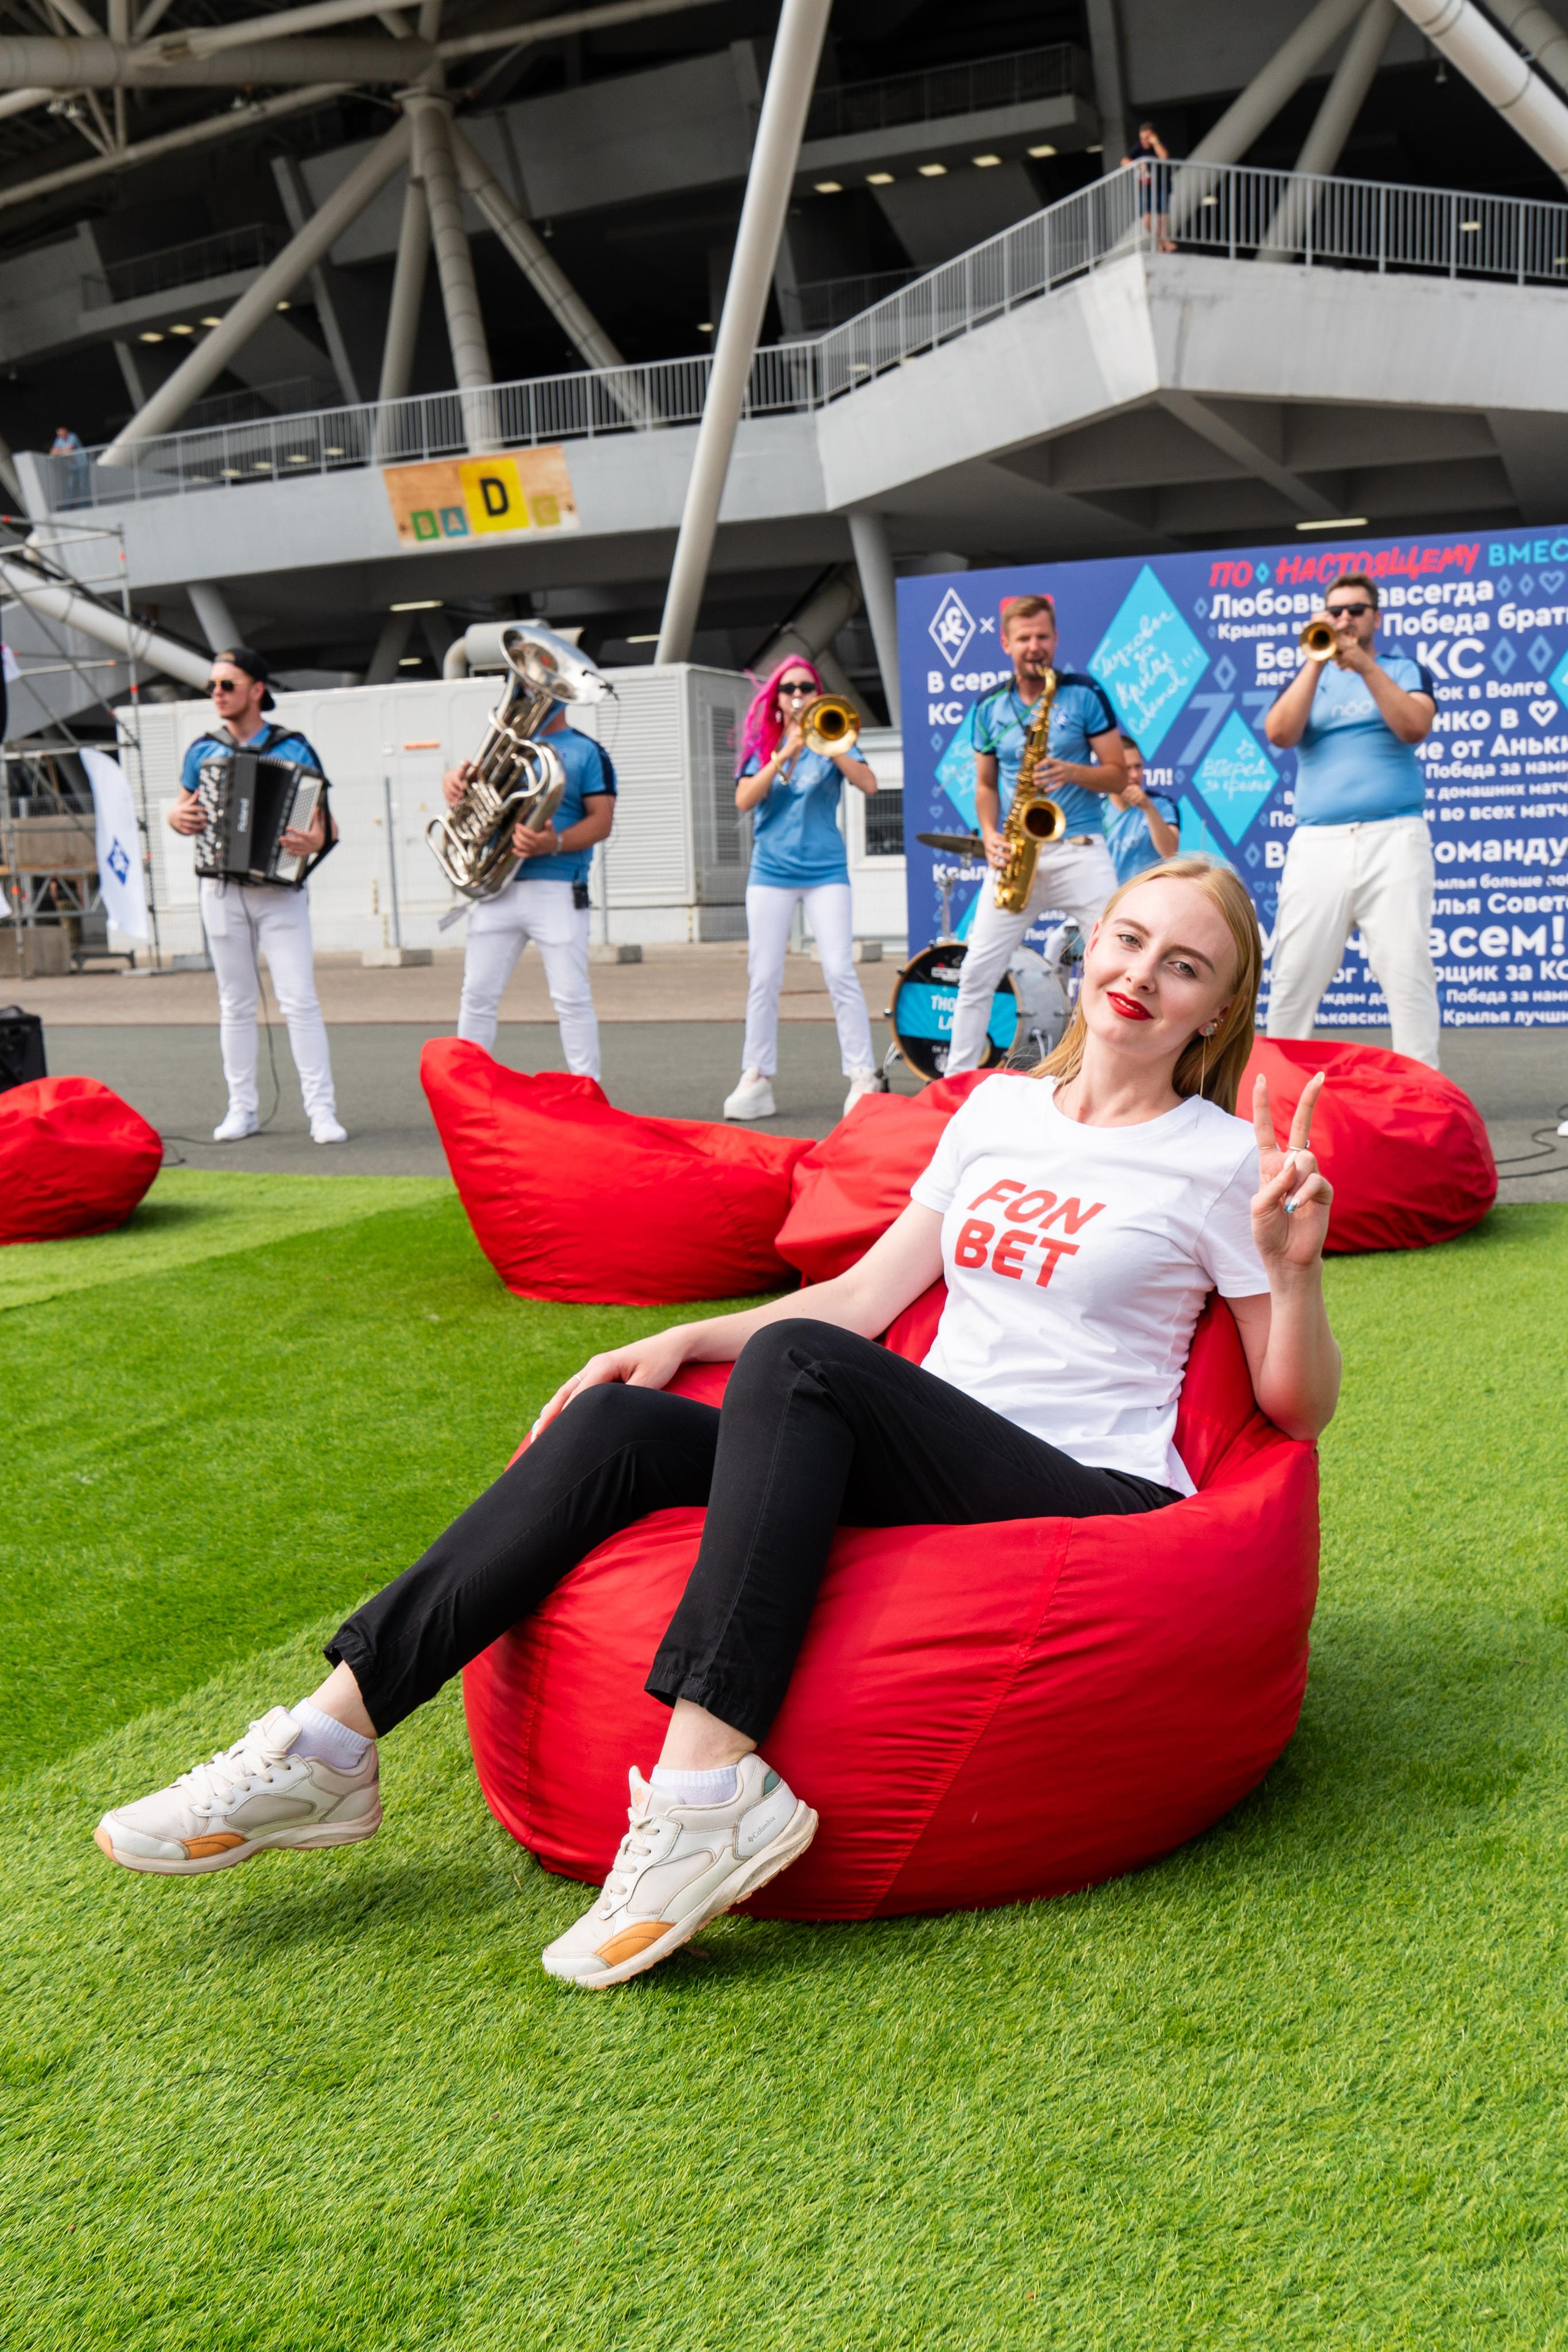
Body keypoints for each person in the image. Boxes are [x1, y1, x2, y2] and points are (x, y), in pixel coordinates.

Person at [95, 856, 1340, 1995]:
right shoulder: (999, 1112)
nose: (1140, 977)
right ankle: (330, 1741)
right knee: (613, 1432)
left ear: (1213, 1011)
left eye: (1184, 967)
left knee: (801, 1367)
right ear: (1088, 948)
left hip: (1082, 1486)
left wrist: (1291, 1272)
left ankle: (705, 1791)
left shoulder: (1221, 1160)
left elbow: (1293, 1413)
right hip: (930, 1446)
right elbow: (862, 1300)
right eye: (1127, 942)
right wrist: (679, 1340)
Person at [167, 646, 346, 1145]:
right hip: (221, 889)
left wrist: (314, 842)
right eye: (213, 687)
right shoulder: (204, 749)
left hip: (280, 891)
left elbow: (324, 825)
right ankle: (240, 1109)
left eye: (228, 685)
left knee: (299, 1001)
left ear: (257, 690)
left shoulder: (294, 749)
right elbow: (182, 809)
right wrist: (174, 818)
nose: (217, 694)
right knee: (235, 1004)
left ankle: (322, 1111)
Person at [1263, 572, 1439, 1066]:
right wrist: (1316, 664)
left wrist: (1363, 666)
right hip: (1319, 843)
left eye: (1356, 611)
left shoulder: (1403, 669)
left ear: (1375, 618)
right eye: (1334, 611)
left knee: (1407, 971)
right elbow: (1280, 732)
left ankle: (1423, 1090)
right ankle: (1280, 1086)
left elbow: (1414, 726)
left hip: (1395, 836)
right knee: (1295, 972)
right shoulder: (1306, 677)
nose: (1344, 619)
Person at [946, 594, 1125, 1074]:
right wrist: (988, 834)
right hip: (1017, 857)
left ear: (1056, 639)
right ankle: (954, 1087)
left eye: (1042, 636)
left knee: (1116, 965)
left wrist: (1070, 771)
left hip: (1081, 848)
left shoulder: (1084, 693)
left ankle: (1109, 1073)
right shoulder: (988, 707)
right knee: (976, 974)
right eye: (1024, 638)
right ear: (1006, 643)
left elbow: (1117, 775)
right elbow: (985, 786)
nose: (1034, 647)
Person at [723, 657, 881, 1123]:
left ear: (818, 692)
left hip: (825, 872)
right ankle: (757, 1075)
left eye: (806, 686)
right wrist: (785, 751)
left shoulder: (837, 737)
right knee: (764, 975)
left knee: (838, 970)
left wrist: (829, 747)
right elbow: (744, 800)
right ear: (776, 698)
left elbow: (870, 785)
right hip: (770, 873)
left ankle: (861, 1074)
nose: (797, 694)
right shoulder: (763, 747)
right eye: (788, 688)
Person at [443, 692, 616, 1078]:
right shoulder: (501, 748)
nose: (530, 696)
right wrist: (453, 785)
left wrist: (551, 843)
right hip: (496, 889)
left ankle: (588, 1095)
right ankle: (467, 1091)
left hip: (557, 888)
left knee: (571, 998)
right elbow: (471, 803)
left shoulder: (588, 751)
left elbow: (601, 821)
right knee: (477, 996)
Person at [1104, 735, 1180, 884]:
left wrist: (1148, 808)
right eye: (1127, 768)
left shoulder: (1162, 804)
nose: (1134, 775)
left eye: (1138, 767)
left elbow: (1170, 852)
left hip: (1152, 897)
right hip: (1109, 900)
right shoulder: (1097, 809)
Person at [1123, 123, 1176, 252]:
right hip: (1146, 188)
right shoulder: (1139, 148)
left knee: (1162, 217)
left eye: (1147, 138)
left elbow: (1164, 157)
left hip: (1161, 186)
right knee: (1146, 220)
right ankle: (1164, 242)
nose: (1144, 141)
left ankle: (1162, 245)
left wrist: (1156, 142)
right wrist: (1138, 164)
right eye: (1142, 138)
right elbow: (1124, 161)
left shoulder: (1159, 145)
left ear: (1153, 136)